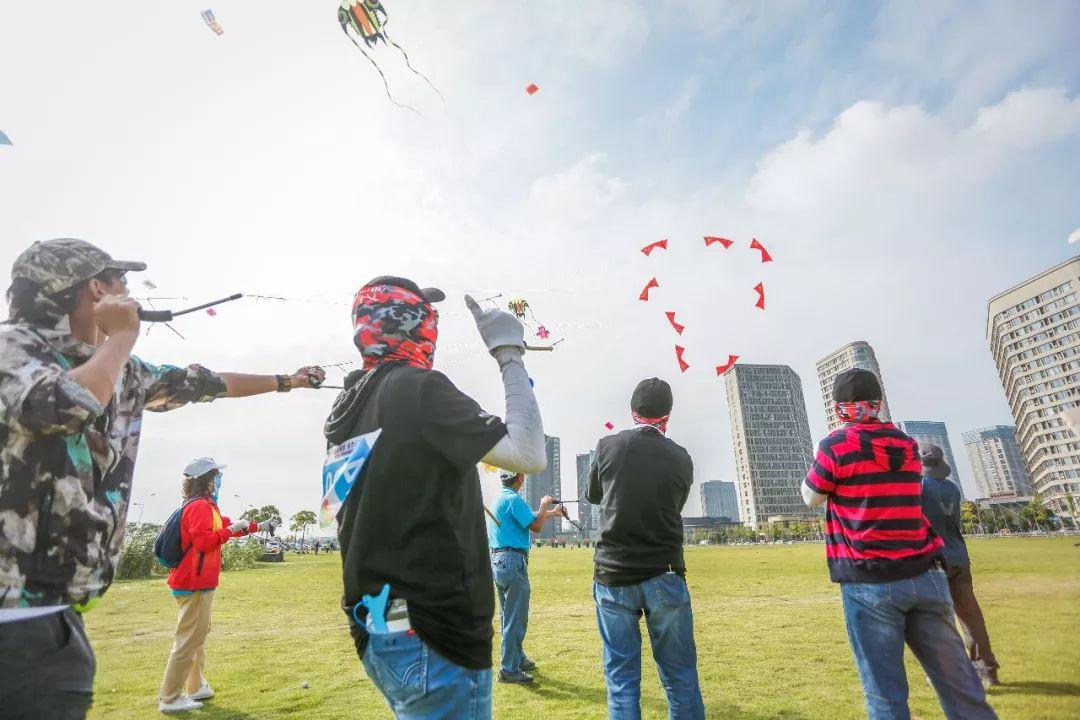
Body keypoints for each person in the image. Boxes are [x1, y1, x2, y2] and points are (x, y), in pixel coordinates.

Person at [0, 238, 325, 720]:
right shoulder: (14, 348)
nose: (132, 293)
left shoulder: (126, 371)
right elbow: (60, 407)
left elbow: (211, 383)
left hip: (55, 617)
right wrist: (120, 339)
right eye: (122, 283)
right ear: (96, 290)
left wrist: (287, 381)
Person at [325, 277, 546, 719]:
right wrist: (508, 353)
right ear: (411, 327)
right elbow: (528, 453)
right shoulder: (416, 387)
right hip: (434, 632)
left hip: (378, 623)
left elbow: (341, 511)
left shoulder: (345, 408)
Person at [802, 368, 997, 720]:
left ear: (838, 408)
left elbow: (811, 496)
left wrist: (824, 447)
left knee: (886, 696)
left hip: (870, 579)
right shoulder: (906, 444)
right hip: (926, 574)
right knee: (961, 689)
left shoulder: (835, 445)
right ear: (878, 403)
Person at [586, 378, 705, 720]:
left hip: (613, 575)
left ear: (633, 412)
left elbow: (594, 495)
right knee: (680, 679)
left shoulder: (607, 446)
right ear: (668, 414)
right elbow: (674, 503)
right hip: (664, 573)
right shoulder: (681, 457)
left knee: (622, 682)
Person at [158, 459, 277, 714]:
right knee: (189, 638)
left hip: (199, 581)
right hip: (194, 582)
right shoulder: (199, 507)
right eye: (217, 475)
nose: (220, 479)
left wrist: (257, 526)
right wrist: (230, 529)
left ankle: (196, 686)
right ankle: (170, 698)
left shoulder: (207, 506)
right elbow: (204, 542)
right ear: (207, 480)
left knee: (198, 635)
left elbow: (227, 528)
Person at [920, 444, 1000, 686]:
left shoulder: (920, 487)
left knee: (937, 617)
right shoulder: (952, 489)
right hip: (958, 556)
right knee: (970, 615)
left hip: (933, 558)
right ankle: (987, 669)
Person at [488, 471, 565, 684]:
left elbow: (527, 517)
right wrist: (543, 505)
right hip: (513, 562)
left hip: (499, 562)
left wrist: (552, 512)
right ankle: (508, 669)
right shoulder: (514, 499)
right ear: (520, 478)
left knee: (507, 616)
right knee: (516, 617)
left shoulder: (501, 498)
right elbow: (536, 526)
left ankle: (517, 658)